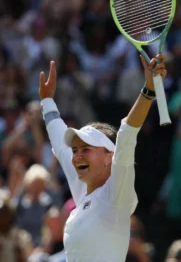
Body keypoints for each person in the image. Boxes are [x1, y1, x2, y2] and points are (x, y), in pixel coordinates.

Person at [39, 54, 167, 261]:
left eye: (86, 149)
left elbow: (126, 135)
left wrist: (149, 90)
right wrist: (47, 101)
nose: (77, 155)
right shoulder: (82, 192)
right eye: (76, 150)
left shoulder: (115, 195)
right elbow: (60, 144)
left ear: (110, 157)